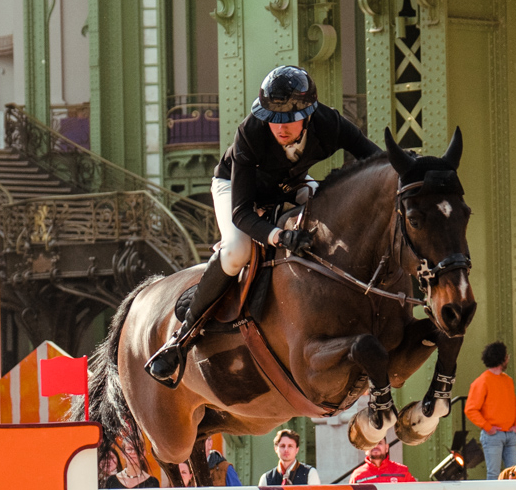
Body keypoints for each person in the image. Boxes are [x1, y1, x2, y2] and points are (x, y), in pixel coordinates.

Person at [144, 66, 380, 386]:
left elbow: (376, 162)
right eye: (272, 118)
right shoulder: (251, 131)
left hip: (289, 184)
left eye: (287, 120)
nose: (278, 127)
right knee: (237, 249)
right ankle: (181, 337)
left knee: (331, 213)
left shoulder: (330, 122)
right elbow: (241, 213)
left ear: (309, 115)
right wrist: (279, 236)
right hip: (237, 190)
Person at [465, 341, 516, 479]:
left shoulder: (508, 380)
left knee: (513, 474)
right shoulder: (482, 382)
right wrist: (488, 427)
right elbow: (471, 409)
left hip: (508, 434)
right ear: (502, 358)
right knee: (494, 474)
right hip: (493, 435)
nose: (508, 358)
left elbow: (514, 405)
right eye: (506, 356)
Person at [349, 438, 415, 484]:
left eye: (379, 443)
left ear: (386, 448)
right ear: (366, 449)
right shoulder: (357, 476)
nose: (375, 446)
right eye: (371, 443)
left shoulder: (402, 472)